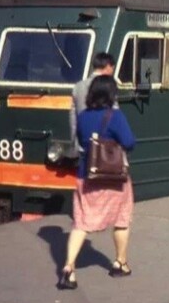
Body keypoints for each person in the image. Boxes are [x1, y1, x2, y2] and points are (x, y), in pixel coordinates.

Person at [59, 75, 137, 290]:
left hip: (87, 175)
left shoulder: (83, 116)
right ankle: (120, 263)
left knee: (81, 223)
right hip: (114, 177)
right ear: (111, 94)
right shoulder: (116, 116)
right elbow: (129, 142)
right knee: (121, 218)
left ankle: (68, 268)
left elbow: (81, 139)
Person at [70, 52, 116, 150]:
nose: (112, 72)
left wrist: (75, 142)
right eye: (112, 68)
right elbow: (114, 114)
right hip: (103, 145)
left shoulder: (78, 86)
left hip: (82, 143)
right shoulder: (108, 86)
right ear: (108, 66)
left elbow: (73, 118)